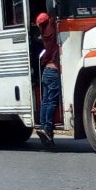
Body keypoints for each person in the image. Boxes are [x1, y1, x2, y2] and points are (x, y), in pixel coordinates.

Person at [35, 12, 61, 147]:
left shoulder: (44, 33)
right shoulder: (52, 31)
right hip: (54, 71)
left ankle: (44, 127)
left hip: (46, 71)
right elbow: (53, 17)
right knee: (51, 101)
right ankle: (47, 128)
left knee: (45, 101)